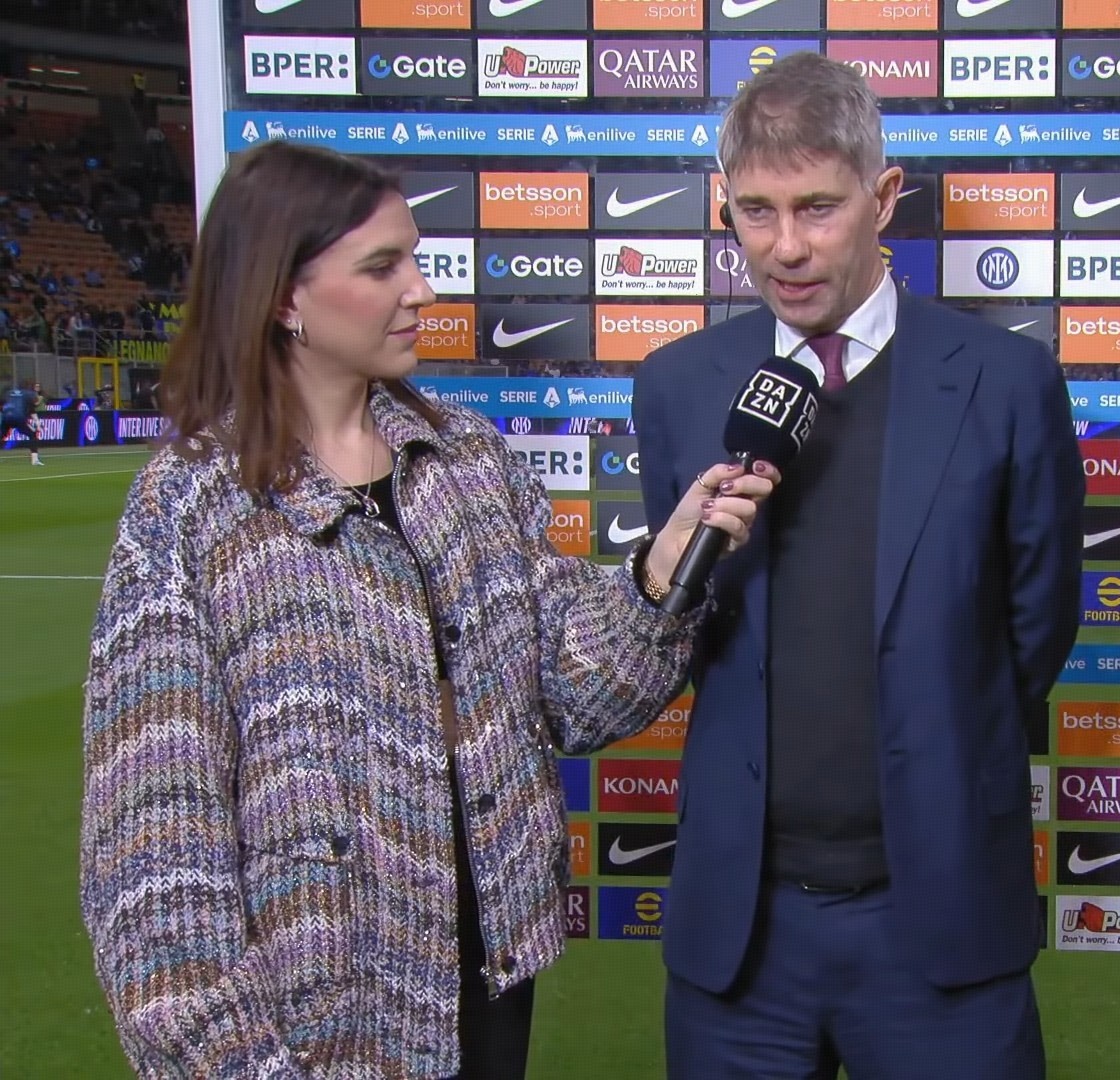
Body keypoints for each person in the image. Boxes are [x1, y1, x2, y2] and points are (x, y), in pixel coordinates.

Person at [78, 141, 777, 1080]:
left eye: (414, 257)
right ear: (284, 296)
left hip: (490, 982)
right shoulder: (190, 508)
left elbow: (577, 698)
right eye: (382, 267)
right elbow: (154, 853)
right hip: (303, 1024)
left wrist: (662, 571)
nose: (423, 290)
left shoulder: (468, 461)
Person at [633, 51, 1083, 1080]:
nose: (785, 247)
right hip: (741, 934)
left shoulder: (1008, 382)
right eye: (755, 211)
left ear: (883, 199)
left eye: (818, 208)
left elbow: (1035, 631)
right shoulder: (678, 385)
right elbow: (678, 626)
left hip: (939, 921)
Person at [2, 381, 43, 465]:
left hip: (6, 417)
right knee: (32, 434)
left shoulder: (8, 393)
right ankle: (35, 460)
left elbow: (3, 404)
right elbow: (33, 409)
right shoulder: (28, 394)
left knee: (2, 435)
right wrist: (38, 425)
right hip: (18, 417)